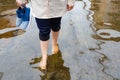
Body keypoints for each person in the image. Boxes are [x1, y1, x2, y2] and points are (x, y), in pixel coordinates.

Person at [16, 0, 75, 70]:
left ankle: (54, 44)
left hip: (58, 4)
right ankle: (44, 56)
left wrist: (71, 1)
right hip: (39, 5)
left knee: (56, 26)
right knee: (43, 31)